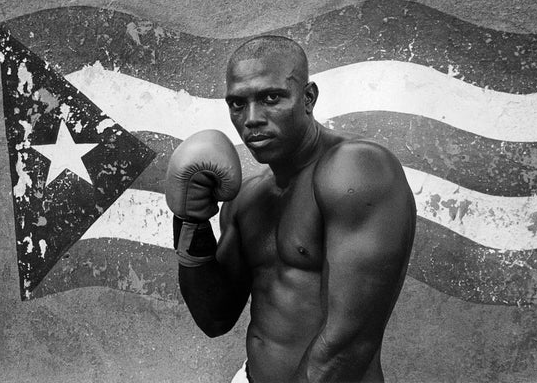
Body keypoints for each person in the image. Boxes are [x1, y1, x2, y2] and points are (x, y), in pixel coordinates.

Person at [165, 35, 416, 383]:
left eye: (271, 98)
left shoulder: (355, 170)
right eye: (237, 104)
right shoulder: (248, 199)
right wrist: (190, 221)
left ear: (308, 97)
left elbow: (349, 346)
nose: (251, 118)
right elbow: (215, 317)